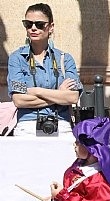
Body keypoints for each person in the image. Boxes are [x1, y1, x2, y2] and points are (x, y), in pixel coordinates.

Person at [7, 3, 82, 136]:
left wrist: (36, 91)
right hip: (27, 126)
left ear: (51, 27)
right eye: (28, 24)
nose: (33, 28)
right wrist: (58, 94)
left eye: (39, 24)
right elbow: (19, 100)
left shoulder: (65, 59)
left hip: (61, 125)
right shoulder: (16, 58)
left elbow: (73, 97)